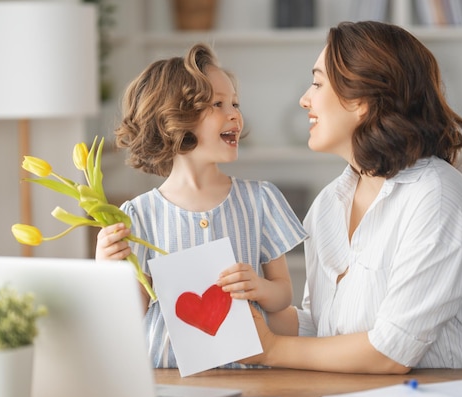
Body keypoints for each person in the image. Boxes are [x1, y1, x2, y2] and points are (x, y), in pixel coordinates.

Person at [243, 21, 462, 374]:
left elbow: (390, 352)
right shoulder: (327, 205)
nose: (305, 99)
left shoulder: (436, 196)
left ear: (361, 101)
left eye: (317, 83)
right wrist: (244, 305)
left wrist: (271, 350)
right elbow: (326, 332)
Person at [95, 43, 307, 368]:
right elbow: (130, 315)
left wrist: (260, 287)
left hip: (249, 375)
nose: (235, 113)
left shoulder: (261, 199)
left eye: (235, 102)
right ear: (175, 120)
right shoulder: (138, 216)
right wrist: (107, 269)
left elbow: (283, 296)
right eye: (218, 104)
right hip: (168, 377)